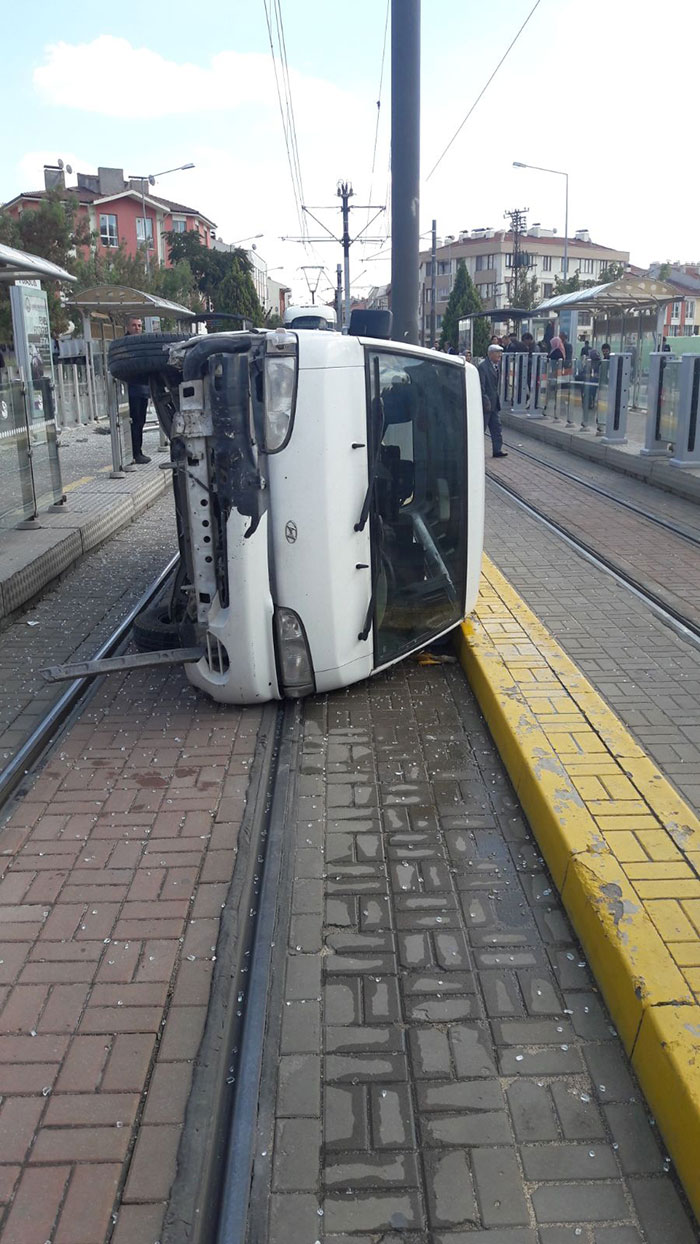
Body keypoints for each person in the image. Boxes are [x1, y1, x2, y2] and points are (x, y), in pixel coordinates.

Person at [124, 317, 151, 464]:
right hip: (131, 389)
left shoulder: (143, 344)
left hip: (142, 389)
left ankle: (138, 451)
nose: (137, 328)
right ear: (128, 327)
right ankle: (135, 453)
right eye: (134, 325)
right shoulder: (124, 344)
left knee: (141, 421)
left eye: (139, 326)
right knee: (134, 421)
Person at [478, 343, 507, 458]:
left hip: (494, 404)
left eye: (500, 353)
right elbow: (481, 386)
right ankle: (476, 451)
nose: (499, 355)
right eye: (497, 353)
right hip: (486, 404)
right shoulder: (483, 367)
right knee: (482, 428)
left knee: (497, 427)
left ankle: (497, 450)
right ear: (490, 354)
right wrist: (485, 401)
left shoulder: (496, 366)